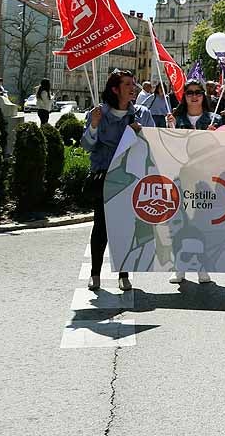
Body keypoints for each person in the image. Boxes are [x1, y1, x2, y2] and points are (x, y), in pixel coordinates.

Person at [82, 70, 155, 292]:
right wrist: (93, 125)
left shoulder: (141, 113)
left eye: (133, 84)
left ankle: (124, 273)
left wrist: (141, 133)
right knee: (102, 227)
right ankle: (95, 274)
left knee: (126, 227)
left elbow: (153, 143)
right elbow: (87, 146)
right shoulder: (98, 114)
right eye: (127, 84)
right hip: (105, 177)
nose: (133, 88)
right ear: (115, 89)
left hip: (130, 178)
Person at [165, 80, 220, 284]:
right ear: (184, 96)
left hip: (206, 179)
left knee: (202, 223)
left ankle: (203, 265)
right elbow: (168, 147)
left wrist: (217, 136)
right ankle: (179, 267)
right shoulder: (175, 119)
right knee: (179, 223)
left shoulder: (215, 120)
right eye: (189, 93)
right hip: (180, 178)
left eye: (198, 92)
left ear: (204, 96)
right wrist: (168, 128)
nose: (194, 96)